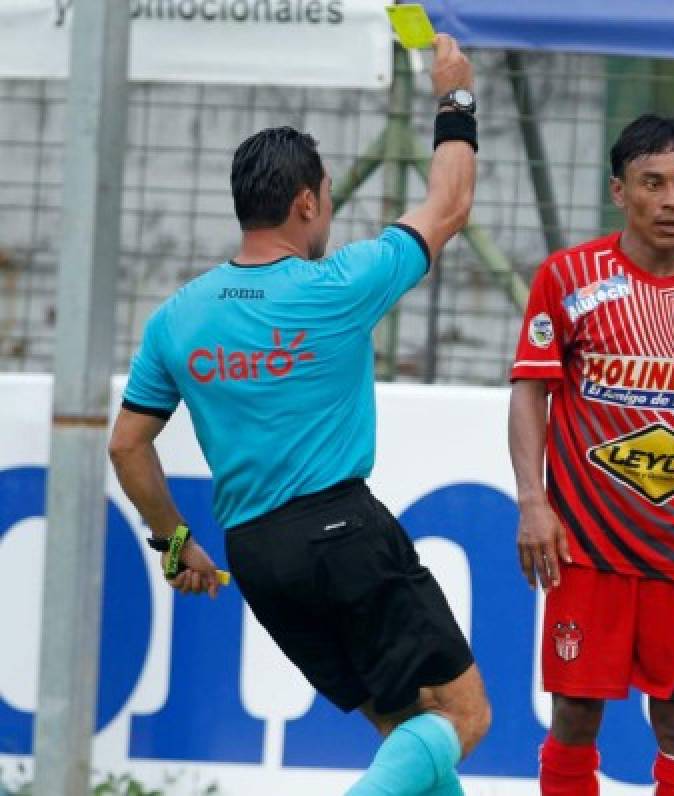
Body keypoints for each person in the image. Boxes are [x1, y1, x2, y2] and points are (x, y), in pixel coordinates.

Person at [107, 35, 488, 796]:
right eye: (328, 198)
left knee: (405, 729)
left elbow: (127, 447)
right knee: (463, 716)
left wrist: (175, 542)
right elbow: (449, 204)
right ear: (306, 202)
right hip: (341, 529)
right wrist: (455, 96)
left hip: (256, 553)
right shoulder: (337, 283)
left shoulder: (178, 318)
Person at [508, 114, 674, 796]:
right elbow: (529, 392)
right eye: (653, 183)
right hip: (586, 546)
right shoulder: (568, 279)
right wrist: (533, 502)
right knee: (574, 715)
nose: (672, 201)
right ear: (618, 191)